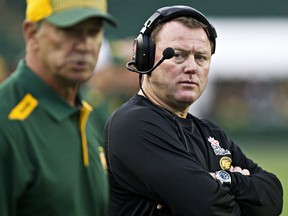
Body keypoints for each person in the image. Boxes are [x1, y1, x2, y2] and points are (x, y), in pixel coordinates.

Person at [104, 5, 283, 216]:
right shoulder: (133, 123)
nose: (191, 67)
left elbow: (272, 198)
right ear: (145, 56)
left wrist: (223, 180)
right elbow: (208, 208)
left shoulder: (211, 133)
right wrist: (239, 188)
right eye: (178, 55)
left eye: (201, 57)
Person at [0, 0, 116, 215]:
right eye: (69, 30)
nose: (85, 45)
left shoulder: (91, 114)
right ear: (32, 33)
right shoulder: (6, 122)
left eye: (94, 31)